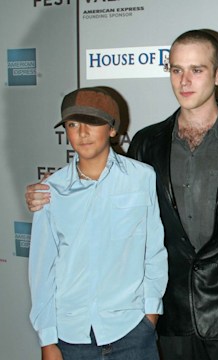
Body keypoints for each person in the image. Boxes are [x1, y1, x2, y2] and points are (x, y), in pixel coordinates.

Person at [26, 29, 218, 360]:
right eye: (176, 69)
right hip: (171, 314)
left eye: (196, 70)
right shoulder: (147, 142)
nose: (184, 81)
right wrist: (46, 191)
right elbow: (109, 187)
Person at [28, 87, 168, 360]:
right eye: (72, 124)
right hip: (70, 337)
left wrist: (149, 315)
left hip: (131, 332)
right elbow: (41, 271)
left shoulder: (142, 178)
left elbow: (153, 250)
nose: (82, 132)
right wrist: (47, 340)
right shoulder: (50, 191)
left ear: (113, 129)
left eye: (92, 122)